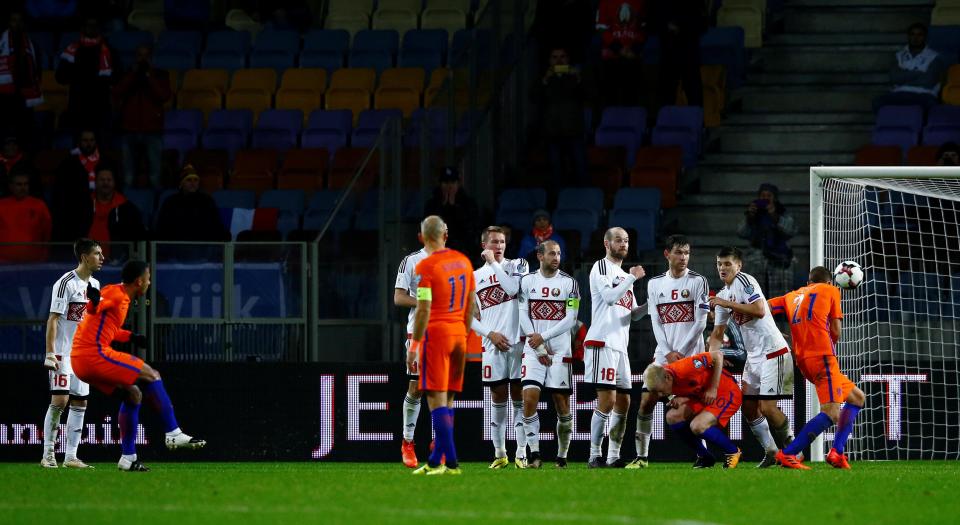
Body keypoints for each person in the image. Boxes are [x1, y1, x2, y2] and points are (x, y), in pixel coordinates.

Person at [71, 259, 206, 471]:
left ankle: (128, 458)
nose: (149, 282)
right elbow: (94, 308)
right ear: (139, 281)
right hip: (92, 354)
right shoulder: (116, 294)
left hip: (81, 361)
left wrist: (131, 337)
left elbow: (108, 327)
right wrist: (93, 301)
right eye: (148, 278)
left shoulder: (120, 296)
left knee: (133, 394)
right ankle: (173, 433)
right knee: (152, 374)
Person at [768, 266, 867, 470]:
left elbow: (764, 308)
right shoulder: (831, 290)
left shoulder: (792, 296)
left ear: (808, 283)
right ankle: (788, 453)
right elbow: (836, 330)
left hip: (803, 361)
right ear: (830, 282)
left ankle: (837, 452)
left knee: (857, 397)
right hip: (822, 357)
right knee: (832, 412)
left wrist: (776, 335)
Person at [707, 246, 795, 468]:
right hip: (754, 358)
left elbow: (759, 310)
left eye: (727, 263)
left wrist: (726, 304)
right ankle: (772, 451)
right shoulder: (722, 295)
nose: (722, 268)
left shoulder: (745, 281)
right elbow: (717, 334)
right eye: (719, 264)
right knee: (747, 407)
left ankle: (794, 450)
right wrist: (710, 359)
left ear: (739, 265)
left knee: (767, 408)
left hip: (773, 352)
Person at [631, 234, 710, 468]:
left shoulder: (698, 281)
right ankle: (642, 457)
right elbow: (655, 320)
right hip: (663, 354)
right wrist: (667, 352)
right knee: (647, 401)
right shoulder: (655, 284)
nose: (683, 257)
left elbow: (701, 322)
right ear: (667, 254)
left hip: (692, 355)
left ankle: (703, 455)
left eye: (686, 252)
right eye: (678, 252)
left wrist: (682, 352)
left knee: (692, 409)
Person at [409, 216, 475, 475]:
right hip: (460, 334)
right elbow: (471, 304)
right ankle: (436, 461)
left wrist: (414, 344)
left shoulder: (427, 266)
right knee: (448, 400)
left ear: (423, 237)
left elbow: (423, 308)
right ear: (444, 235)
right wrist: (463, 332)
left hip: (436, 335)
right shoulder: (465, 262)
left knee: (435, 400)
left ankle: (453, 462)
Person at [583, 227, 646, 468]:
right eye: (618, 240)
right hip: (602, 341)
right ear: (607, 244)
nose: (624, 244)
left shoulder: (622, 274)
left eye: (627, 240)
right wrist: (632, 278)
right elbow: (609, 298)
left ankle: (613, 456)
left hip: (620, 346)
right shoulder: (602, 267)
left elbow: (633, 315)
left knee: (623, 402)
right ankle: (594, 455)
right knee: (607, 400)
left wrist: (651, 303)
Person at [39, 238, 102, 469]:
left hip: (81, 356)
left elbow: (92, 321)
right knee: (60, 400)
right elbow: (53, 319)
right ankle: (47, 454)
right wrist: (50, 353)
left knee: (80, 403)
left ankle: (71, 457)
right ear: (85, 257)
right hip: (63, 354)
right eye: (97, 253)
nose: (102, 258)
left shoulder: (95, 285)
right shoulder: (66, 283)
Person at [471, 226, 530, 469]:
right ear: (484, 245)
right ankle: (499, 453)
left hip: (518, 343)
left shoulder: (518, 265)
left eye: (502, 241)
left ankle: (522, 453)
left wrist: (495, 265)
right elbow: (468, 317)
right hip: (492, 344)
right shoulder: (473, 277)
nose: (499, 246)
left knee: (519, 397)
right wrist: (490, 334)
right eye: (494, 242)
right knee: (497, 398)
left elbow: (512, 289)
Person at [517, 240, 579, 468]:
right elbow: (523, 315)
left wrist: (543, 337)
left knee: (561, 405)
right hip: (534, 350)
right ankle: (534, 454)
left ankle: (562, 456)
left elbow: (570, 319)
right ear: (540, 256)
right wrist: (538, 344)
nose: (556, 257)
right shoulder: (527, 281)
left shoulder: (569, 283)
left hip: (560, 351)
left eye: (559, 254)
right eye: (552, 253)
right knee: (529, 400)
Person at [641, 350, 744, 469]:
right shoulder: (664, 380)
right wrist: (681, 399)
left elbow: (718, 355)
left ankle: (733, 451)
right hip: (702, 396)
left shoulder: (686, 367)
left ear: (667, 377)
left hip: (726, 392)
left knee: (698, 426)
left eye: (660, 391)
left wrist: (713, 388)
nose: (659, 395)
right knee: (672, 417)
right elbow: (692, 386)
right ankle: (705, 456)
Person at [114, 44, 171, 189]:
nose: (143, 59)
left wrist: (148, 76)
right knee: (128, 175)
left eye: (146, 56)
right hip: (129, 130)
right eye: (140, 55)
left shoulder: (160, 74)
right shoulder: (126, 74)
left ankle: (156, 205)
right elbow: (117, 92)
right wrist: (133, 75)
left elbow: (163, 96)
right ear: (135, 57)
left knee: (155, 174)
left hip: (152, 130)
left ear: (151, 58)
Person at [535, 47, 591, 187]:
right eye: (555, 57)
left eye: (562, 56)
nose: (559, 60)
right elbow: (534, 97)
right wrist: (545, 80)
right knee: (556, 172)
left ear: (568, 59)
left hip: (573, 131)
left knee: (580, 169)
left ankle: (583, 201)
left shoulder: (577, 76)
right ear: (549, 60)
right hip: (553, 132)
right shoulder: (544, 77)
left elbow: (588, 95)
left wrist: (578, 78)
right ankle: (558, 203)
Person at [395, 243, 429, 468]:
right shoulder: (412, 261)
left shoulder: (453, 263)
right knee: (416, 387)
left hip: (445, 332)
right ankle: (407, 442)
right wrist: (424, 303)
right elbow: (399, 298)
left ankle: (440, 443)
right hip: (419, 330)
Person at [56, 16, 114, 139]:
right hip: (78, 108)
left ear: (99, 29)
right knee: (78, 148)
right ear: (82, 29)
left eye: (95, 26)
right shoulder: (72, 50)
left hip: (100, 108)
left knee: (100, 147)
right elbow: (60, 77)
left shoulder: (109, 51)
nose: (92, 29)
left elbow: (116, 78)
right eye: (89, 25)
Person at [737, 183, 796, 298]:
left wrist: (774, 215)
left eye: (769, 196)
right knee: (756, 297)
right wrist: (750, 217)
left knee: (779, 299)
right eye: (762, 195)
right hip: (756, 260)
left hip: (779, 261)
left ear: (775, 198)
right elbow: (740, 232)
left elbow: (790, 231)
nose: (765, 198)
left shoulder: (782, 212)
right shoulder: (753, 214)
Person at [872, 23, 947, 112]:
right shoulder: (899, 55)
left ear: (925, 37)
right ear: (908, 36)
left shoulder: (935, 57)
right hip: (899, 93)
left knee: (930, 105)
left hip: (924, 94)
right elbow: (894, 78)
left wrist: (904, 76)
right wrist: (918, 73)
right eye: (912, 34)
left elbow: (928, 81)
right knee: (878, 102)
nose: (915, 38)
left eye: (920, 35)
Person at [654, 0, 709, 109]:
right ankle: (666, 122)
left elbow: (702, 23)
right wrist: (666, 27)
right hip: (668, 50)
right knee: (667, 93)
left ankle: (698, 122)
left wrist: (681, 26)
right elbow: (653, 20)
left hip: (689, 49)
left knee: (693, 91)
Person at [0, 9, 42, 148]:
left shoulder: (32, 45)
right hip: (4, 98)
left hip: (24, 97)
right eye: (13, 20)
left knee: (24, 135)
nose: (16, 24)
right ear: (8, 23)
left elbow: (37, 72)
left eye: (19, 21)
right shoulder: (1, 43)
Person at [155, 165, 229, 242]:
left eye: (196, 180)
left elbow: (215, 225)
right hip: (177, 245)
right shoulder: (170, 201)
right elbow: (163, 228)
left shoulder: (207, 200)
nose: (193, 183)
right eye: (189, 180)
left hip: (202, 245)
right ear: (181, 183)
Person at [51, 130, 101, 241]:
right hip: (74, 215)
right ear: (79, 142)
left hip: (100, 211)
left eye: (92, 140)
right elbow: (60, 192)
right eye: (85, 140)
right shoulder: (67, 164)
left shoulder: (104, 162)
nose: (89, 144)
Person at [595, 0, 646, 107]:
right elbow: (601, 29)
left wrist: (634, 50)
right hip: (611, 58)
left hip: (633, 58)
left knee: (632, 97)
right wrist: (619, 49)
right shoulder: (605, 2)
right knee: (610, 97)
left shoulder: (641, 2)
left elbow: (643, 28)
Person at [423, 167, 480, 256]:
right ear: (440, 184)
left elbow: (471, 229)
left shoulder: (468, 204)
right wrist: (443, 207)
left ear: (458, 184)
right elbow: (429, 228)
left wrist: (455, 208)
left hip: (462, 252)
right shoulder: (432, 204)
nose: (449, 186)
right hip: (438, 251)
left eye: (453, 183)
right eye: (445, 183)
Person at [0, 171, 51, 262]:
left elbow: (47, 232)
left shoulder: (39, 205)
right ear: (10, 186)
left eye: (25, 184)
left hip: (33, 261)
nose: (23, 187)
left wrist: (43, 255)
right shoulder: (1, 205)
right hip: (4, 263)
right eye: (19, 184)